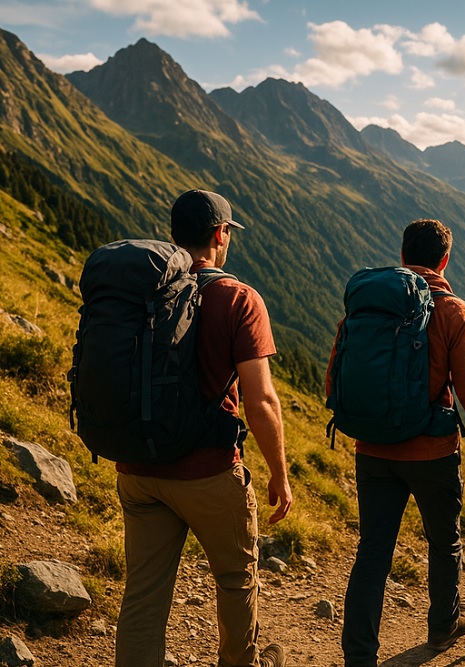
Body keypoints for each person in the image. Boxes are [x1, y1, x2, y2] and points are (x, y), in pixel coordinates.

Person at [113, 190, 293, 667]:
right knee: (236, 578)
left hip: (137, 468)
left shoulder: (141, 289)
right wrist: (280, 472)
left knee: (144, 594)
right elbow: (261, 399)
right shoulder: (237, 298)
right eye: (229, 232)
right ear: (220, 235)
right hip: (208, 473)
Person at [331, 218, 465, 667]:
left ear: (403, 255)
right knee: (443, 540)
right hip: (432, 452)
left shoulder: (366, 306)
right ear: (445, 260)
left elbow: (336, 376)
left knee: (372, 552)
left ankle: (358, 655)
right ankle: (443, 625)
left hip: (372, 449)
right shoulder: (454, 311)